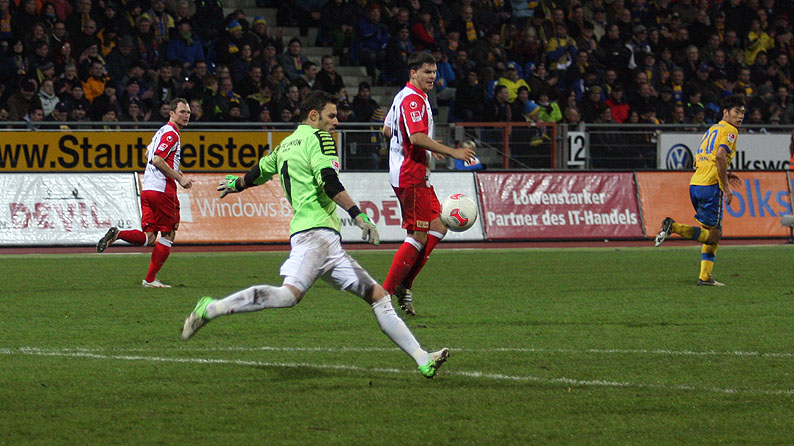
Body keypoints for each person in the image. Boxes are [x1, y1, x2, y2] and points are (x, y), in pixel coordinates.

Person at [180, 90, 450, 379]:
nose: (336, 122)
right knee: (288, 296)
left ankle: (423, 358)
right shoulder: (320, 138)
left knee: (379, 296)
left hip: (326, 242)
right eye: (331, 116)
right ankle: (212, 307)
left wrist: (238, 184)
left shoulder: (285, 145)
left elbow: (260, 170)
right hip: (315, 236)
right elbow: (328, 181)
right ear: (314, 115)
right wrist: (357, 215)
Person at [381, 51, 476, 315]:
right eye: (426, 71)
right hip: (410, 175)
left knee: (439, 226)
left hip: (413, 173)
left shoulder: (403, 95)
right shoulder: (412, 99)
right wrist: (452, 151)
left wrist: (421, 144)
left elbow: (386, 129)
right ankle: (385, 295)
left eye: (434, 72)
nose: (432, 76)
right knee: (418, 235)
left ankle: (405, 284)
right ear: (413, 73)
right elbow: (416, 138)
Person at [96, 98, 195, 288]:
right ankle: (149, 280)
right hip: (162, 190)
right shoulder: (172, 134)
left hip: (148, 188)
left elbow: (147, 154)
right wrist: (178, 177)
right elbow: (157, 159)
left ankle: (119, 234)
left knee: (149, 237)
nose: (186, 116)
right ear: (171, 113)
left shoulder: (161, 131)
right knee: (168, 235)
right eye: (182, 112)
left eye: (188, 112)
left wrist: (175, 168)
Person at [654, 95, 746, 286]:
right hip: (711, 187)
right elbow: (720, 156)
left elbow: (699, 160)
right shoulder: (730, 130)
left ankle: (705, 277)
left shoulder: (712, 129)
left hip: (696, 184)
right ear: (726, 112)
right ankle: (673, 227)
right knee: (714, 236)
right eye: (737, 112)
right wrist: (726, 187)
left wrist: (725, 174)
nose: (740, 116)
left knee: (711, 232)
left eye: (743, 112)